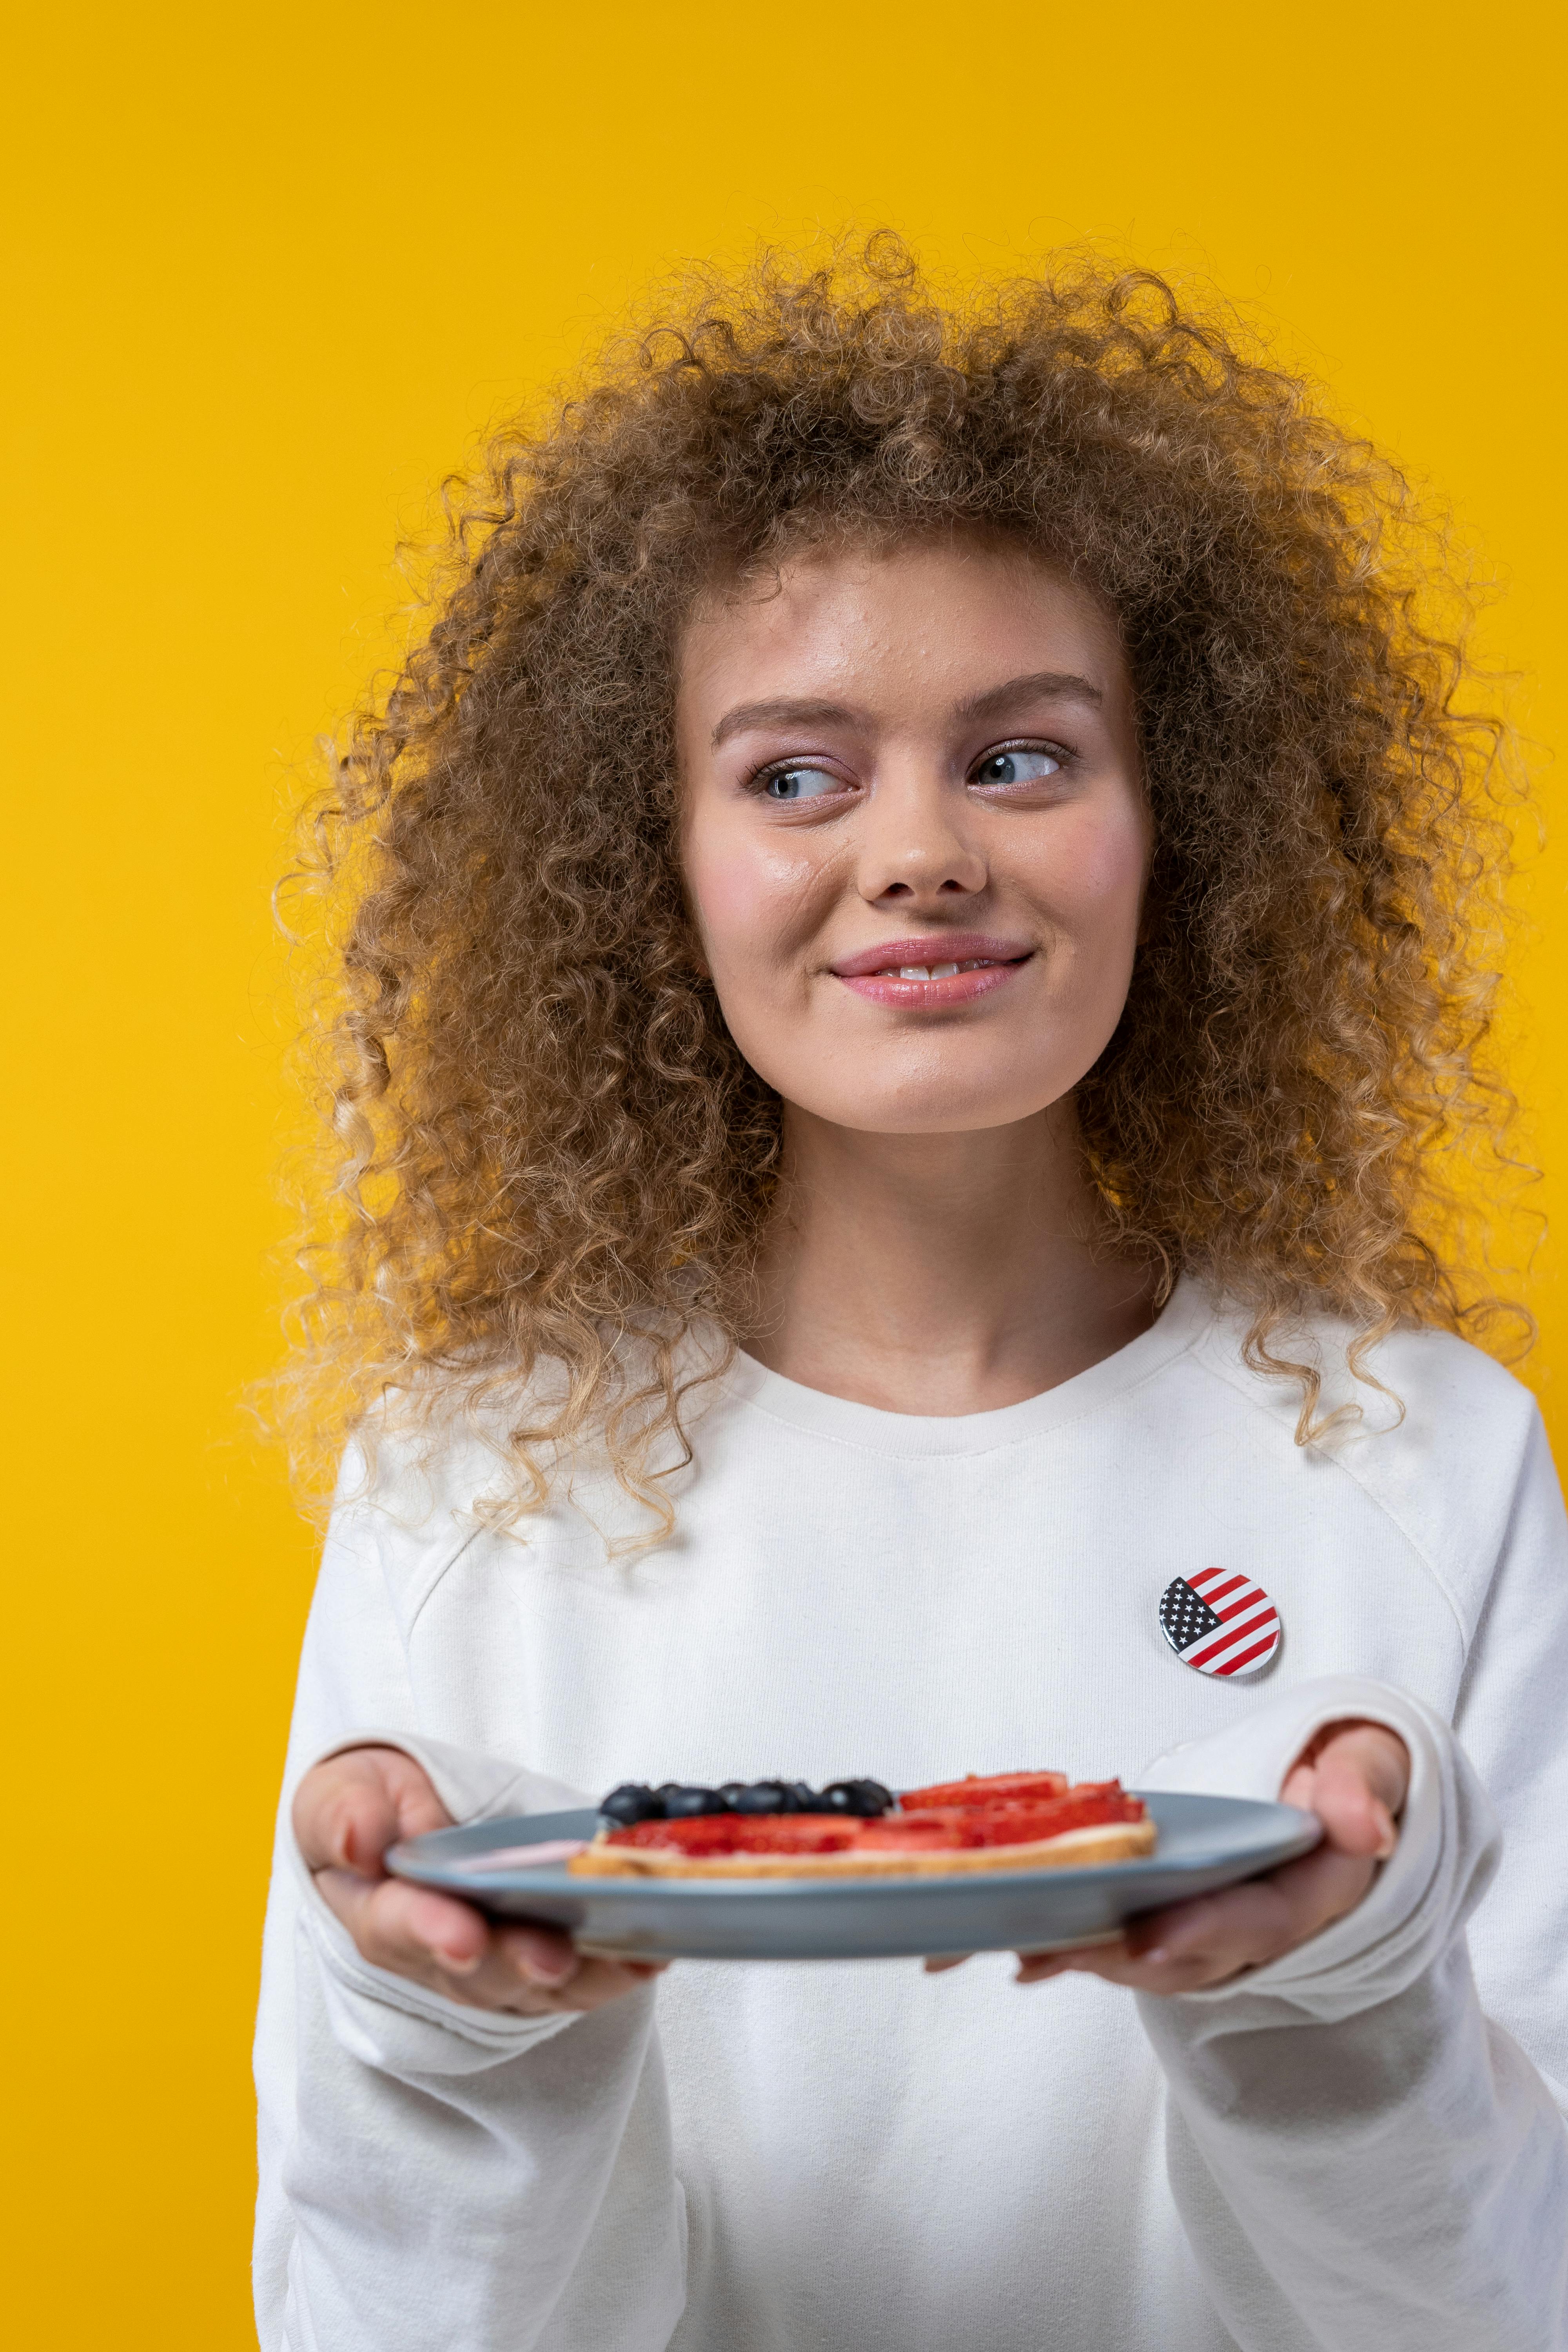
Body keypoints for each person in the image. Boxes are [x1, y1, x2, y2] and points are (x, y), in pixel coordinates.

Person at [254, 241, 1568, 2351]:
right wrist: (442, 2035)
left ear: (1182, 824)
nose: (921, 852)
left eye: (1022, 758)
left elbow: (1495, 2316)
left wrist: (1339, 1969)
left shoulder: (1428, 1455)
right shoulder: (473, 1480)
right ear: (654, 863)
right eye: (795, 774)